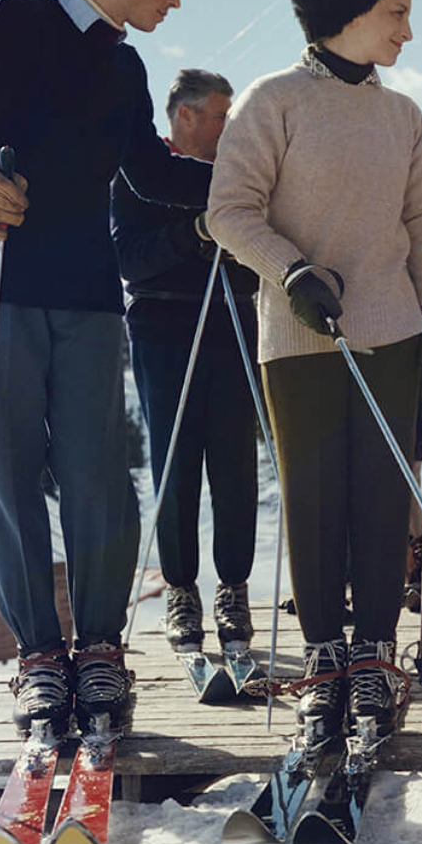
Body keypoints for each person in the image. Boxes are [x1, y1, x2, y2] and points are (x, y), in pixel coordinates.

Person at [0, 0, 211, 738]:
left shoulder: (125, 66)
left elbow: (152, 173)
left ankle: (98, 647)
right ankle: (40, 659)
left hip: (89, 291)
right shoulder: (14, 20)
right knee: (12, 470)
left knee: (97, 470)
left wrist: (243, 186)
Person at [206, 0, 422, 744]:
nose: (408, 28)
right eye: (396, 9)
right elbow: (229, 212)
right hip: (301, 336)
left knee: (381, 503)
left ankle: (375, 663)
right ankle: (323, 665)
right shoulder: (271, 102)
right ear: (349, 6)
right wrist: (291, 272)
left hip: (391, 333)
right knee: (314, 501)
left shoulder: (401, 116)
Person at [111, 68, 260, 655]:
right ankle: (180, 588)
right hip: (162, 326)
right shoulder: (137, 172)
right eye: (223, 115)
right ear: (187, 116)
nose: (232, 127)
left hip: (230, 322)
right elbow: (130, 259)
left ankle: (233, 587)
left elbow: (256, 260)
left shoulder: (240, 177)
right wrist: (193, 235)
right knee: (174, 464)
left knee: (233, 461)